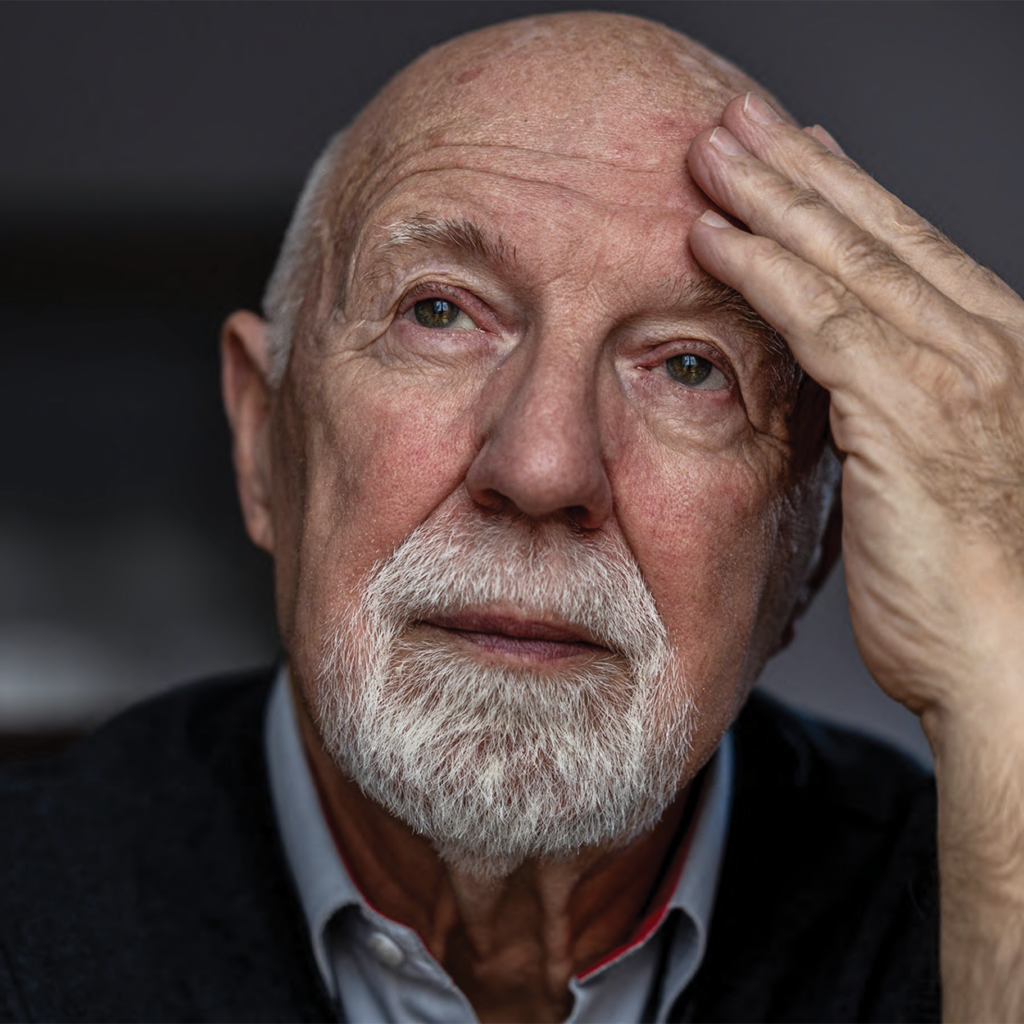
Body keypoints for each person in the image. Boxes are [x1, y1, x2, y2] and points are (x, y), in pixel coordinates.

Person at [2, 10, 1023, 1022]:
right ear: (263, 436)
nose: (542, 466)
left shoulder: (974, 897)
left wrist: (1000, 671)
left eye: (687, 366)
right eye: (438, 311)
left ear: (809, 549)